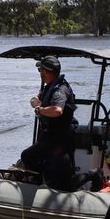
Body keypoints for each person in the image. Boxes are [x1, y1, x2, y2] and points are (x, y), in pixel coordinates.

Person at [20, 55, 77, 190]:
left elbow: (57, 110)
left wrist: (40, 110)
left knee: (64, 184)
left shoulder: (60, 90)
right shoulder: (49, 87)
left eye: (41, 70)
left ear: (45, 71)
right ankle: (40, 183)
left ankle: (93, 175)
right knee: (29, 156)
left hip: (59, 140)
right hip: (49, 138)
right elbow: (34, 99)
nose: (40, 73)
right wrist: (37, 103)